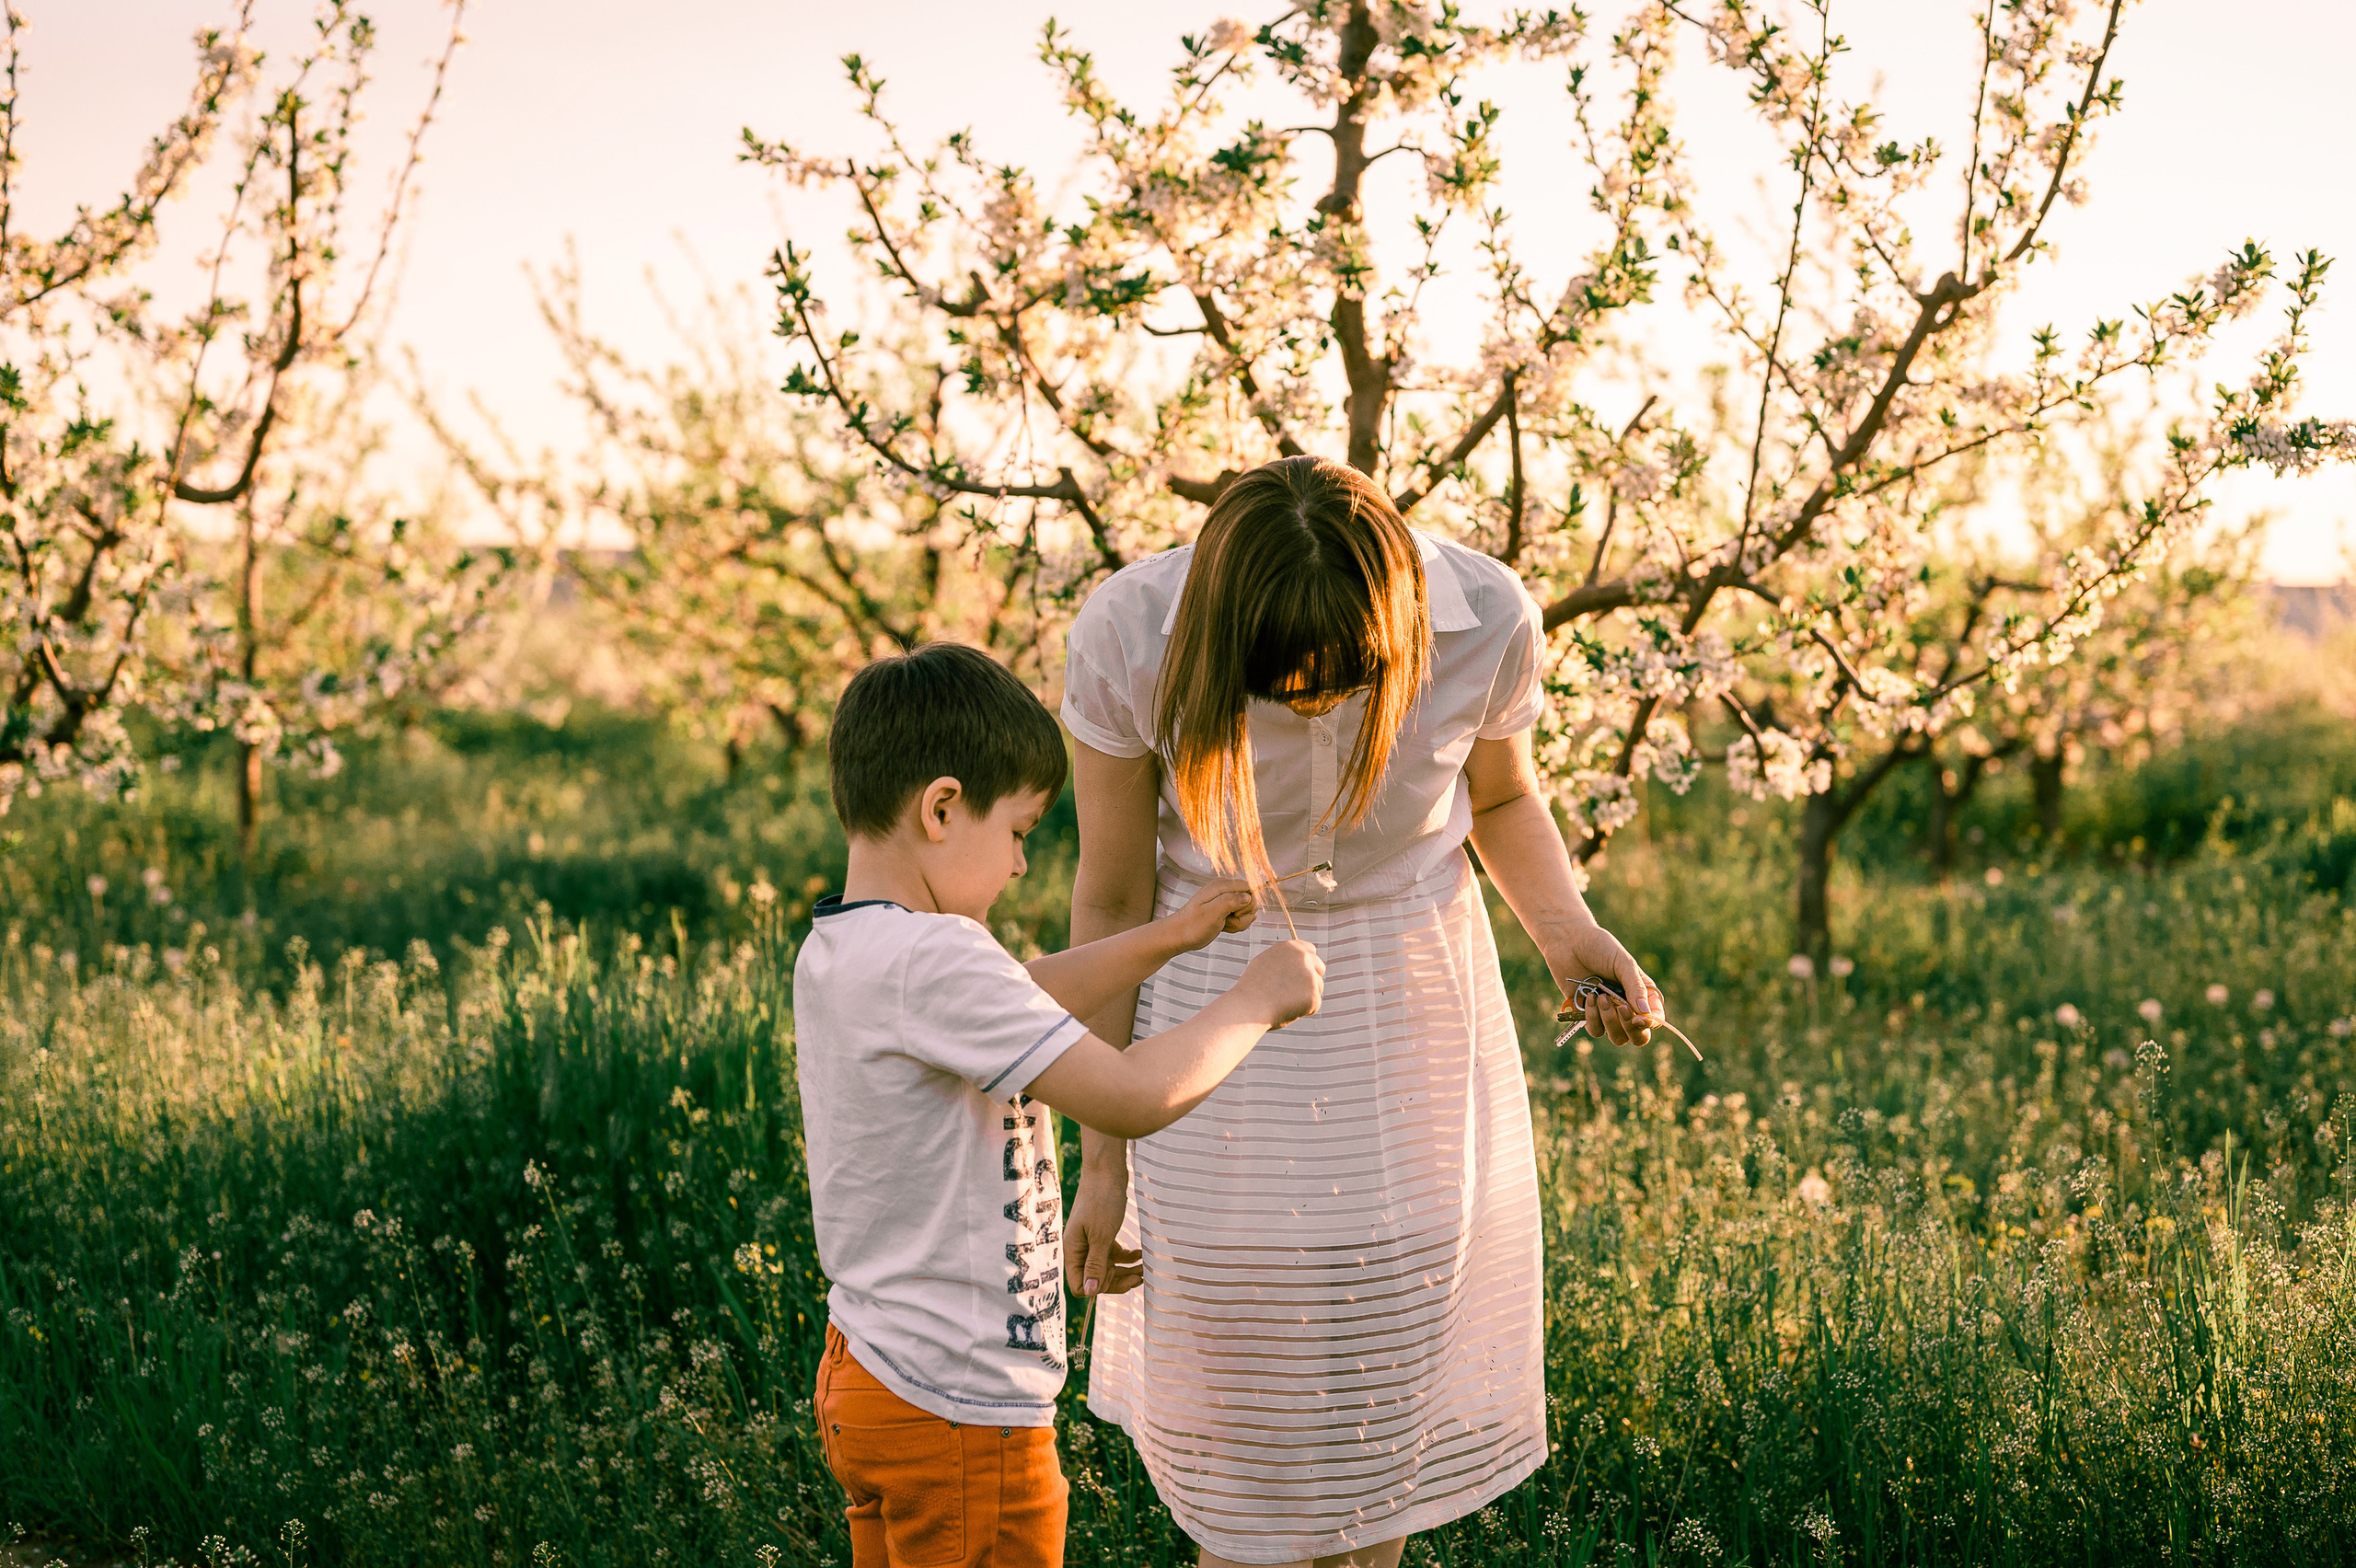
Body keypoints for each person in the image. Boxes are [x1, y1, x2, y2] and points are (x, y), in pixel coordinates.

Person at [1059, 455, 1666, 1568]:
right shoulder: (1126, 634)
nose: (1317, 704)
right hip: (1211, 1020)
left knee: (1380, 1399)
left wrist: (1571, 938)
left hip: (1415, 1011)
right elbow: (1107, 895)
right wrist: (1104, 1159)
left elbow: (1501, 796)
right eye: (1282, 686)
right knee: (1245, 1434)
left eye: (1343, 678)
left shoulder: (1486, 620)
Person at [796, 640, 1325, 1568]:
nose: (1017, 867)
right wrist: (1257, 1000)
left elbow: (1021, 990)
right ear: (942, 808)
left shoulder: (850, 947)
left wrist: (1168, 937)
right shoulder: (940, 957)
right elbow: (1127, 1096)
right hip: (959, 1410)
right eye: (1020, 833)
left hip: (872, 1378)